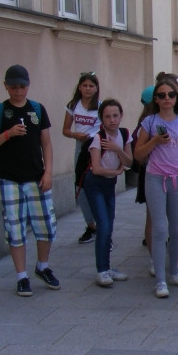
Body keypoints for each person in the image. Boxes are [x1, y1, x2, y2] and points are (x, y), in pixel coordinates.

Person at [0, 65, 60, 297]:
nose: (18, 91)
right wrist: (8, 134)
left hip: (36, 177)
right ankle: (21, 276)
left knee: (45, 226)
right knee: (14, 228)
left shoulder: (37, 109)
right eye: (13, 87)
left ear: (28, 85)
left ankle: (42, 267)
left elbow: (46, 143)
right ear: (6, 86)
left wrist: (48, 173)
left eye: (22, 86)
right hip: (8, 179)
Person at [133, 77, 178, 298]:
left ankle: (174, 272)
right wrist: (154, 141)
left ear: (176, 98)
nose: (167, 99)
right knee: (160, 229)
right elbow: (137, 154)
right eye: (162, 95)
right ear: (156, 99)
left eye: (171, 95)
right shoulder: (150, 122)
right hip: (155, 178)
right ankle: (160, 280)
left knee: (176, 229)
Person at [81, 99, 133, 287]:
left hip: (109, 185)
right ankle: (101, 270)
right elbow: (95, 169)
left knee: (109, 225)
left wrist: (118, 150)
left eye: (115, 115)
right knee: (103, 225)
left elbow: (129, 161)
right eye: (107, 116)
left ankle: (107, 267)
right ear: (101, 119)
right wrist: (116, 173)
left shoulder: (125, 134)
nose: (112, 120)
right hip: (95, 184)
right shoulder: (97, 138)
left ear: (120, 116)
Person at [62, 71, 100, 244]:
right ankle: (91, 225)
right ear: (79, 87)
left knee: (96, 184)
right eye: (84, 85)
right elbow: (65, 130)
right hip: (80, 147)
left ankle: (103, 225)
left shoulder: (100, 106)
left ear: (96, 88)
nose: (88, 89)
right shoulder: (73, 105)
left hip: (96, 147)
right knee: (80, 186)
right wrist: (75, 135)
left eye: (91, 86)